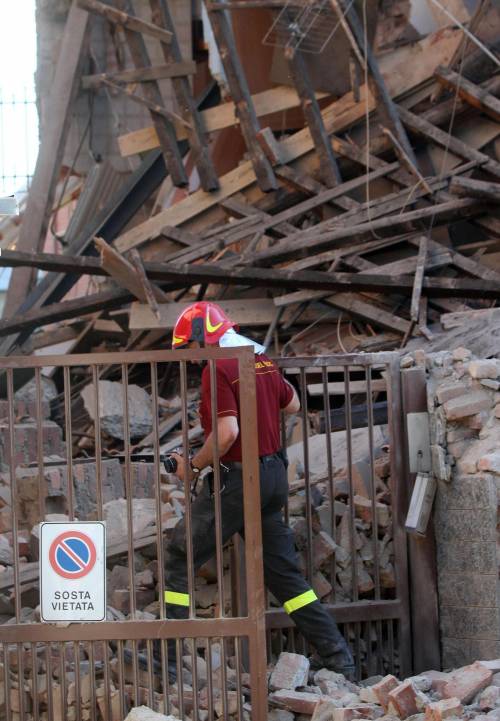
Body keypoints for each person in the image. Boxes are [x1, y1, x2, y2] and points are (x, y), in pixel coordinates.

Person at [161, 301, 355, 680]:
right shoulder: (259, 359)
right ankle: (339, 659)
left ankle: (166, 660)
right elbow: (294, 405)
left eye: (189, 348)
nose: (190, 357)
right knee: (285, 575)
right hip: (272, 477)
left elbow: (228, 433)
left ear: (203, 338)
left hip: (238, 479)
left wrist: (193, 466)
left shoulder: (219, 366)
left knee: (179, 553)